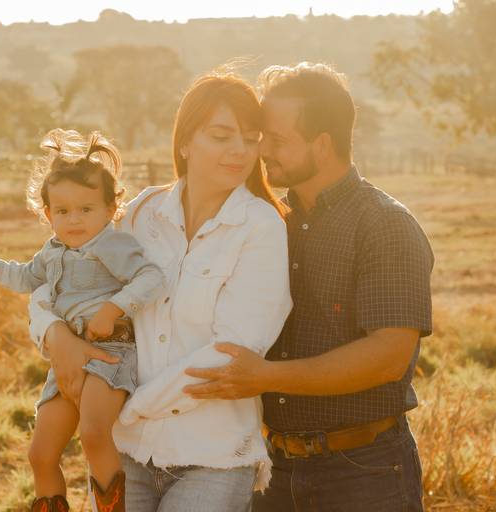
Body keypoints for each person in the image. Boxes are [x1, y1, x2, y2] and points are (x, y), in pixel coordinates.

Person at [28, 72, 293, 512]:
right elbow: (63, 276)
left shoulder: (262, 227)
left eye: (251, 138)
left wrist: (129, 409)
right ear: (185, 142)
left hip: (213, 456)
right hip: (127, 455)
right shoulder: (143, 213)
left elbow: (233, 351)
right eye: (222, 135)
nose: (240, 151)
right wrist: (54, 334)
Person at [183, 63, 434, 512]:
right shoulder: (267, 222)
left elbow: (389, 357)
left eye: (277, 141)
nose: (263, 153)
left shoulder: (385, 225)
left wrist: (266, 378)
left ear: (322, 144)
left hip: (363, 471)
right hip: (273, 468)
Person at [0, 129, 165, 512]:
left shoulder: (110, 244)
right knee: (40, 453)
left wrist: (113, 308)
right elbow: (24, 277)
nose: (74, 220)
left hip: (109, 355)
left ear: (110, 209)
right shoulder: (52, 252)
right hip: (66, 361)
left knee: (93, 434)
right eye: (63, 211)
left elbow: (151, 278)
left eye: (86, 209)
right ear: (48, 213)